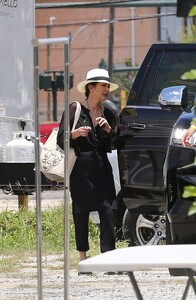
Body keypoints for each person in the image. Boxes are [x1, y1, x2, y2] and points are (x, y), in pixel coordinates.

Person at [57, 68, 119, 266]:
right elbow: (60, 139)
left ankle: (108, 258)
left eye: (108, 85)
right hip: (80, 168)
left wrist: (108, 130)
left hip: (102, 166)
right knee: (81, 211)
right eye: (103, 85)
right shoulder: (75, 109)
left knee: (108, 210)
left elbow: (115, 144)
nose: (107, 89)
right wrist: (74, 134)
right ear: (91, 87)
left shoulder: (109, 112)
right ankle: (83, 258)